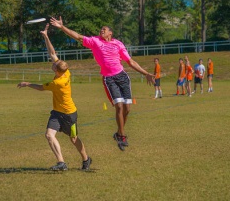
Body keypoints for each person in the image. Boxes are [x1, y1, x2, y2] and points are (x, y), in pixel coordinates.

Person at [50, 17, 154, 151]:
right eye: (101, 29)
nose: (101, 30)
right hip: (109, 79)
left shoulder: (118, 44)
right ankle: (122, 136)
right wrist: (62, 27)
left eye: (104, 29)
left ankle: (118, 133)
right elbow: (78, 36)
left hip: (122, 77)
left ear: (110, 33)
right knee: (119, 107)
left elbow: (131, 62)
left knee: (127, 109)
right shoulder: (95, 41)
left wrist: (146, 73)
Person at [17, 23, 92, 171]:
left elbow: (40, 88)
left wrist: (27, 83)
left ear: (57, 71)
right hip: (57, 112)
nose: (52, 63)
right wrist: (46, 36)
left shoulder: (57, 82)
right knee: (49, 135)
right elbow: (52, 54)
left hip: (69, 114)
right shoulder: (65, 71)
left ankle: (86, 159)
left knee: (73, 138)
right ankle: (61, 163)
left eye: (54, 65)